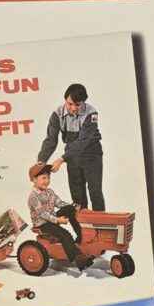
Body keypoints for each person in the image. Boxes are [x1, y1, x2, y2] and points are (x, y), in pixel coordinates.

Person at [36, 82, 104, 212]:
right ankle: (82, 224)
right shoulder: (57, 114)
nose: (73, 108)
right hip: (72, 156)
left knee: (95, 192)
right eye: (69, 104)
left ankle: (101, 223)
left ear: (83, 102)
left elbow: (83, 141)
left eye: (77, 105)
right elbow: (51, 140)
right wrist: (42, 160)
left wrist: (62, 159)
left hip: (91, 154)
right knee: (77, 195)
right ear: (65, 100)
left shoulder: (92, 113)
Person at [26, 164, 91, 271]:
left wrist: (73, 207)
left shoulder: (49, 192)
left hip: (52, 218)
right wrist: (57, 220)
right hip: (43, 224)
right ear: (34, 180)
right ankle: (78, 259)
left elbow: (59, 202)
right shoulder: (33, 196)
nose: (47, 181)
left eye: (48, 178)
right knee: (65, 234)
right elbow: (42, 214)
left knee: (70, 209)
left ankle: (80, 236)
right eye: (43, 178)